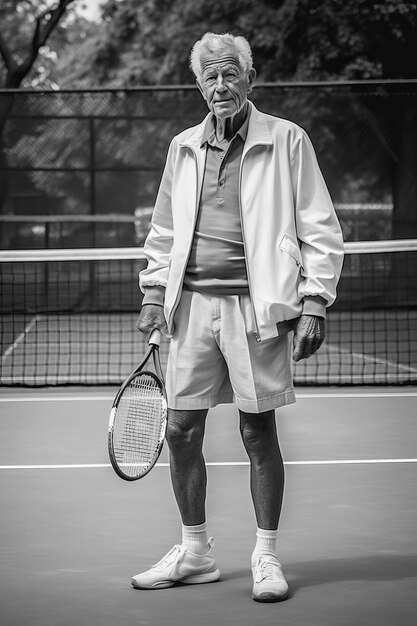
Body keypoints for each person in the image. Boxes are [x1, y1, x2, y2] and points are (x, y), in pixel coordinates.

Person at [133, 32, 344, 602]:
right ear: (199, 85)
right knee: (179, 429)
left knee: (258, 430)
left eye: (230, 75)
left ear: (250, 79)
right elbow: (164, 233)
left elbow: (319, 226)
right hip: (190, 307)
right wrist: (155, 294)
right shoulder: (182, 147)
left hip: (259, 310)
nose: (220, 87)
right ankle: (195, 551)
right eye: (210, 78)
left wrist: (315, 300)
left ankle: (266, 555)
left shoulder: (288, 140)